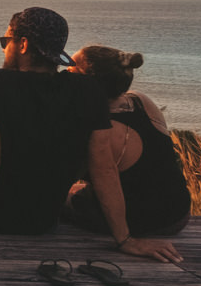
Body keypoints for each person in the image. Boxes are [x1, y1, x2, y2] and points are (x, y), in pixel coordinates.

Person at [0, 6, 180, 262]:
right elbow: (104, 170)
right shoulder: (89, 90)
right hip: (44, 221)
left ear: (24, 44)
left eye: (7, 40)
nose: (5, 48)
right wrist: (125, 239)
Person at [65, 46, 191, 236]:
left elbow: (92, 180)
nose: (64, 75)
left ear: (87, 84)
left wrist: (124, 240)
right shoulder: (141, 101)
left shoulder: (100, 132)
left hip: (142, 222)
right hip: (178, 214)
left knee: (55, 199)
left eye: (71, 71)